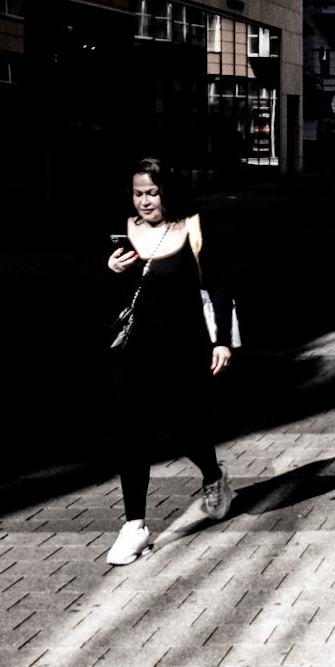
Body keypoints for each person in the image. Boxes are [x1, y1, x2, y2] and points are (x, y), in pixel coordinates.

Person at [105, 156, 235, 565]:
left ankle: (213, 477)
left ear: (168, 192)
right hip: (134, 349)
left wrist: (222, 342)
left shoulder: (193, 227)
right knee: (131, 429)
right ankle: (135, 526)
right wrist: (108, 268)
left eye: (152, 193)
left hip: (185, 345)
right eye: (138, 193)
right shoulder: (121, 231)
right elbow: (99, 289)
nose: (144, 201)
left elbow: (218, 283)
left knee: (185, 430)